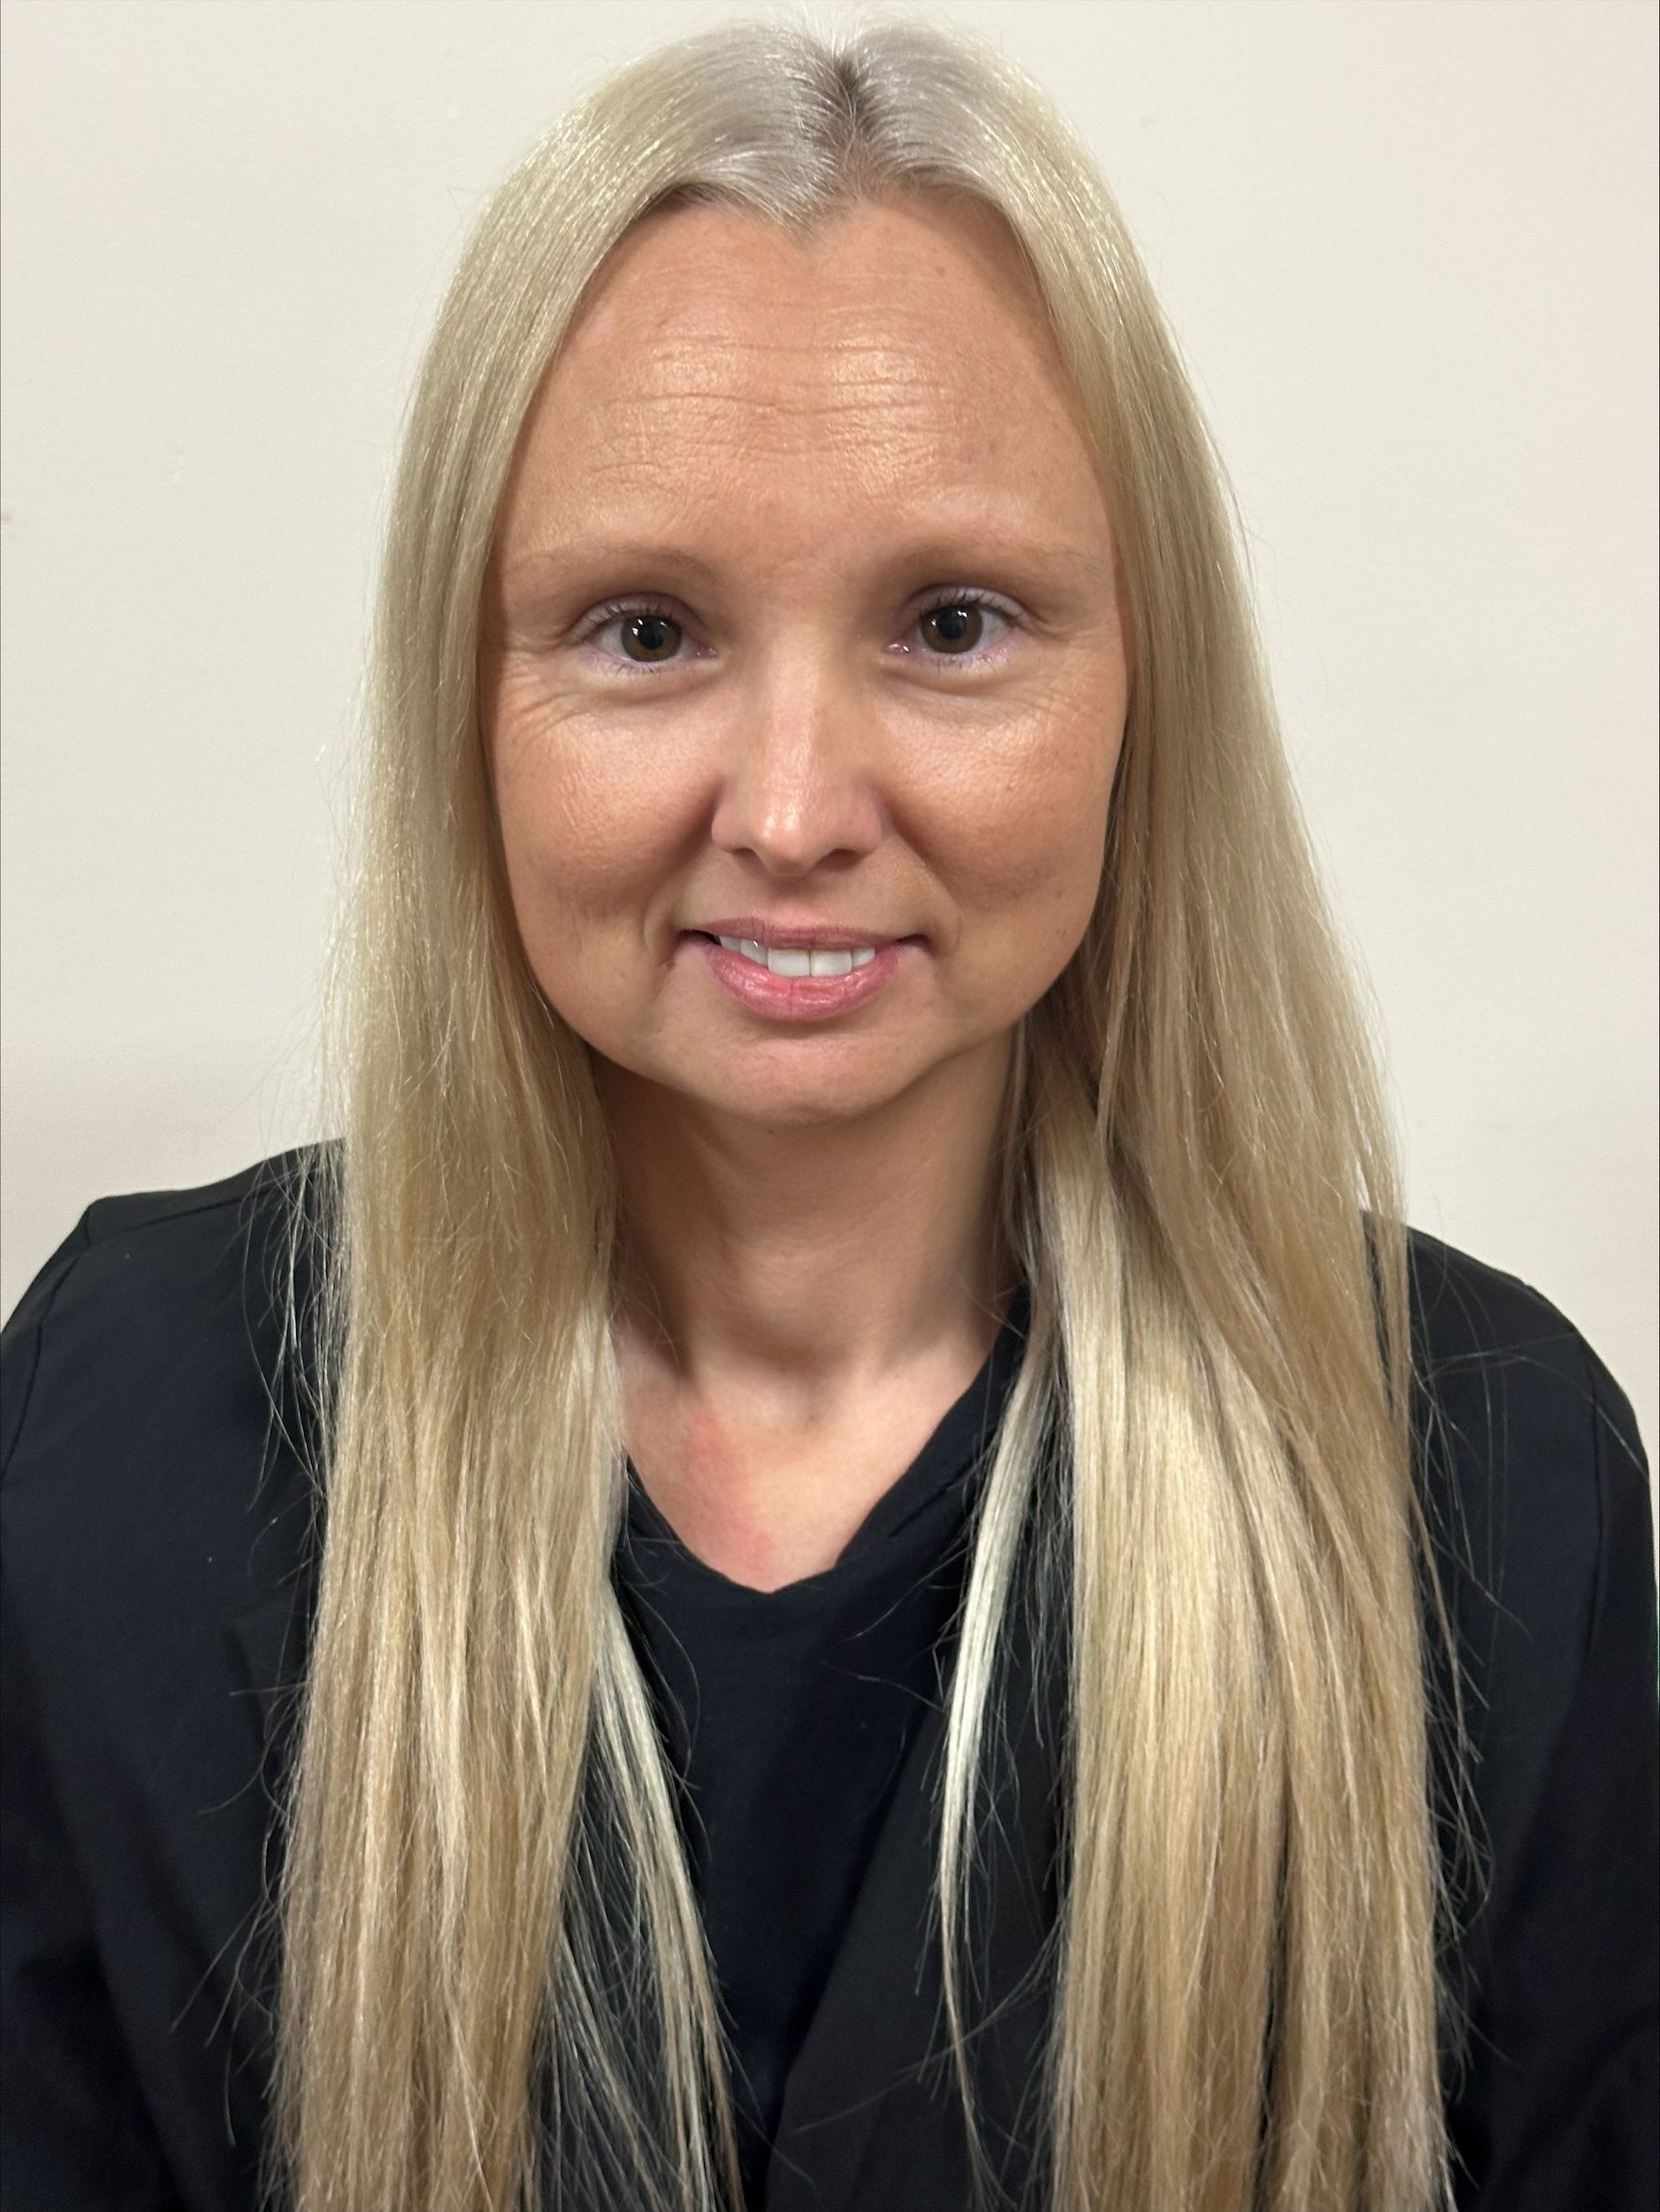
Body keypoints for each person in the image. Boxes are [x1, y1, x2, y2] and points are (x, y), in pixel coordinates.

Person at [2, 17, 1655, 2212]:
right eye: (644, 626)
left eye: (952, 622)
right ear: (463, 693)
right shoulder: (129, 1424)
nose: (790, 810)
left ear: (1136, 694)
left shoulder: (1471, 1475)